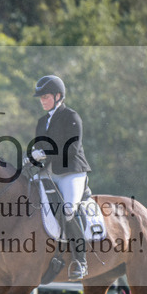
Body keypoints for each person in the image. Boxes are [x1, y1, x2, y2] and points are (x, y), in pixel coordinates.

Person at [30, 75, 91, 280]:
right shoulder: (42, 122)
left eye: (45, 97)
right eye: (41, 98)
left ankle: (80, 261)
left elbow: (72, 149)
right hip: (49, 172)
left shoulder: (71, 117)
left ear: (58, 96)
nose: (42, 101)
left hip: (71, 172)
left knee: (67, 210)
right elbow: (39, 148)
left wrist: (46, 154)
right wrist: (31, 158)